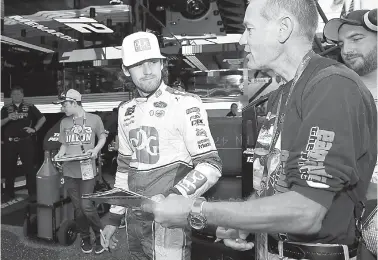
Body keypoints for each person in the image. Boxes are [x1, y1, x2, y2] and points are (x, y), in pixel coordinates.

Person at [141, 1, 377, 260]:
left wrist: (197, 209)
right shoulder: (281, 96)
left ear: (283, 28)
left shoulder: (332, 88)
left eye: (249, 29)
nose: (242, 40)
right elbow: (273, 184)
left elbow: (305, 211)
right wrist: (243, 220)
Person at [101, 31, 222, 260]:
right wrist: (114, 218)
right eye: (138, 64)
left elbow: (210, 165)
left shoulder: (185, 103)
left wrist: (174, 197)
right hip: (135, 224)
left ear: (162, 64)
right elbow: (124, 169)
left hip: (169, 222)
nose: (147, 70)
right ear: (126, 70)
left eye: (152, 62)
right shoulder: (125, 110)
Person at [324, 8, 378, 199]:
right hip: (348, 214)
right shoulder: (337, 95)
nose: (346, 50)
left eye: (356, 39)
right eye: (341, 44)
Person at [53, 89, 107, 255]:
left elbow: (102, 137)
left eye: (64, 104)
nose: (63, 108)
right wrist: (60, 154)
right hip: (69, 171)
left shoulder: (94, 119)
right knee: (78, 209)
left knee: (86, 206)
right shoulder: (64, 122)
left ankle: (100, 236)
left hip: (87, 171)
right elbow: (64, 144)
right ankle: (85, 238)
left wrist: (96, 149)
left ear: (74, 102)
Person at [1, 86, 46, 203]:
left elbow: (42, 119)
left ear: (22, 95)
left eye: (18, 94)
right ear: (11, 96)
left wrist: (34, 129)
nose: (16, 96)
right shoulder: (5, 108)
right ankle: (8, 194)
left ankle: (32, 194)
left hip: (25, 141)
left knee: (29, 168)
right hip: (10, 142)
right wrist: (8, 118)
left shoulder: (30, 107)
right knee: (9, 169)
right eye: (14, 94)